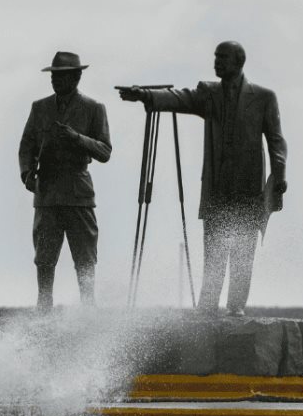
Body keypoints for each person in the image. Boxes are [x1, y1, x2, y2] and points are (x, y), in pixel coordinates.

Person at [119, 41, 287, 315]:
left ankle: (236, 308)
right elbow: (179, 98)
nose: (216, 62)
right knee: (214, 251)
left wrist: (279, 173)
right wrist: (146, 95)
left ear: (238, 62)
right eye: (215, 57)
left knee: (243, 253)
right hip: (218, 187)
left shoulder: (264, 97)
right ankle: (208, 306)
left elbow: (277, 140)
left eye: (222, 58)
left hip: (248, 188)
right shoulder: (209, 94)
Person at [19, 51, 112, 309]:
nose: (55, 80)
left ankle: (88, 309)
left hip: (78, 193)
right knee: (44, 258)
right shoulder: (40, 108)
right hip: (47, 193)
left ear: (77, 76)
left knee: (85, 258)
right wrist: (27, 173)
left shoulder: (94, 108)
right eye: (53, 75)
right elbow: (26, 145)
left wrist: (77, 138)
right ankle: (44, 307)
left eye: (61, 76)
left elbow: (105, 151)